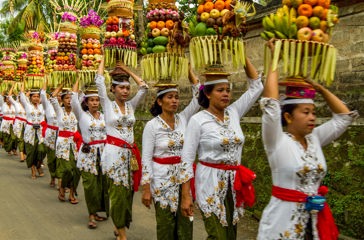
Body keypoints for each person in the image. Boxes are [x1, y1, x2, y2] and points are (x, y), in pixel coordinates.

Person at [257, 40, 358, 240]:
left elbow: (344, 117)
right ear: (288, 117)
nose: (313, 117)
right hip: (281, 225)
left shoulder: (315, 139)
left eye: (314, 112)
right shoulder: (276, 140)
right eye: (306, 112)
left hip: (314, 223)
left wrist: (319, 88)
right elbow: (270, 105)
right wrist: (275, 58)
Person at [180, 57, 263, 240]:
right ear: (208, 94)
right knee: (217, 234)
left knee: (230, 233)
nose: (226, 94)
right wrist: (186, 195)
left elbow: (257, 86)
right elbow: (186, 160)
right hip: (209, 182)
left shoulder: (234, 113)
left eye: (228, 90)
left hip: (234, 183)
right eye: (220, 90)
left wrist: (241, 55)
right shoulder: (197, 120)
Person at [141, 66, 200, 240]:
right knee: (166, 227)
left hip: (184, 180)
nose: (174, 101)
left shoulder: (184, 118)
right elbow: (146, 158)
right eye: (170, 97)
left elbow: (199, 94)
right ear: (160, 101)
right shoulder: (152, 126)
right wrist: (146, 188)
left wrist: (188, 69)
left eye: (176, 97)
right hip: (162, 182)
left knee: (185, 224)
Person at [95, 56, 148, 240]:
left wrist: (127, 70)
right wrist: (103, 57)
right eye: (121, 87)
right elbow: (99, 80)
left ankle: (120, 225)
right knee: (117, 192)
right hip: (113, 155)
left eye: (127, 88)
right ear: (113, 89)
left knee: (127, 192)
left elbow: (144, 87)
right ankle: (122, 232)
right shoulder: (107, 105)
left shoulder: (131, 106)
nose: (125, 91)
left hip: (130, 155)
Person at [71, 79, 109, 229]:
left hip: (104, 154)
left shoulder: (105, 116)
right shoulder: (81, 115)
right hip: (88, 155)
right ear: (86, 102)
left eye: (97, 100)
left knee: (101, 185)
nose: (95, 103)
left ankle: (97, 210)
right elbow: (74, 97)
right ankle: (91, 215)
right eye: (91, 100)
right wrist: (79, 78)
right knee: (90, 186)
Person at [50, 85, 81, 204]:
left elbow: (79, 95)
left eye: (71, 98)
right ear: (62, 100)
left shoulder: (77, 112)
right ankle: (62, 187)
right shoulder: (59, 111)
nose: (69, 100)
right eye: (66, 98)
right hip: (63, 144)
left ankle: (72, 193)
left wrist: (77, 77)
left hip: (75, 143)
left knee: (76, 170)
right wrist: (62, 84)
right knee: (67, 169)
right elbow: (52, 97)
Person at [19, 85, 46, 179]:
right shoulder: (27, 105)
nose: (36, 98)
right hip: (30, 132)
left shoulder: (43, 106)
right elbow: (22, 95)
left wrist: (45, 80)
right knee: (31, 152)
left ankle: (38, 165)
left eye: (37, 96)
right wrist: (23, 81)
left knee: (41, 150)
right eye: (34, 96)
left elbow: (44, 92)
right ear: (30, 98)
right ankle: (33, 169)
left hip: (40, 131)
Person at [40, 80, 59, 188]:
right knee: (51, 159)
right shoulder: (47, 105)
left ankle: (61, 181)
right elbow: (42, 93)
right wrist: (47, 79)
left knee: (62, 159)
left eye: (60, 94)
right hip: (51, 134)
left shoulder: (67, 106)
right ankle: (53, 177)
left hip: (63, 136)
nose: (58, 95)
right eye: (55, 93)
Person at [8, 85, 27, 162]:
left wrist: (24, 82)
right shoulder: (16, 104)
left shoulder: (27, 105)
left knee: (25, 139)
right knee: (20, 139)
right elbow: (9, 96)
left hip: (26, 124)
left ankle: (25, 153)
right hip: (18, 124)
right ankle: (21, 155)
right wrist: (12, 86)